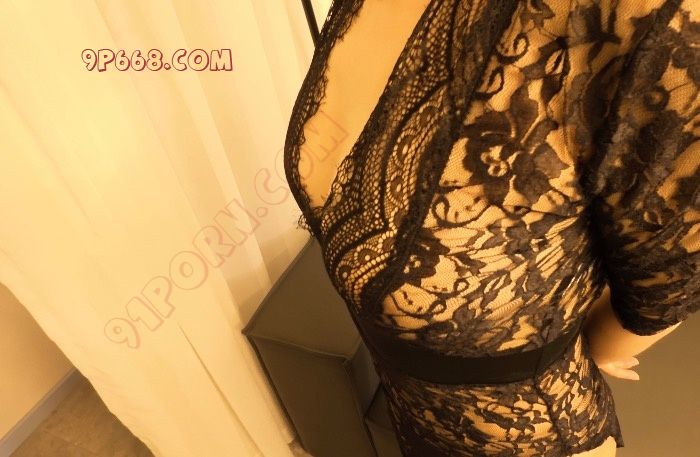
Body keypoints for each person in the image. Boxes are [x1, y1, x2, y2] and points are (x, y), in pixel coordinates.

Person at [283, 0, 699, 455]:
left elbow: (669, 283)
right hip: (413, 411)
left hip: (524, 438)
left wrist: (575, 339)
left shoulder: (652, 21)